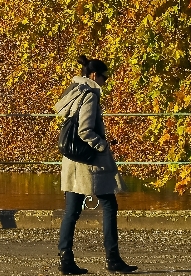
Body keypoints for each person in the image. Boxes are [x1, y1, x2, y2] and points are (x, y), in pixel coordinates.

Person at [54, 55, 137, 274]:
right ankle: (113, 258)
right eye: (103, 77)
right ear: (93, 75)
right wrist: (102, 146)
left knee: (71, 211)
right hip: (88, 162)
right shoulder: (90, 94)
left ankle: (66, 259)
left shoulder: (72, 91)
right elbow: (84, 130)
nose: (105, 81)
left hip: (71, 160)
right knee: (110, 204)